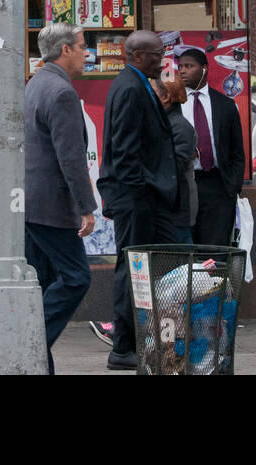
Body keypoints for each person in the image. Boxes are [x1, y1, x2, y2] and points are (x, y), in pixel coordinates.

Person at [96, 29, 178, 371]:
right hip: (136, 197)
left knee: (149, 265)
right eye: (156, 55)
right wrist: (140, 191)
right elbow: (126, 150)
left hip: (144, 196)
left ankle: (149, 338)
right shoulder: (130, 88)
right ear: (137, 56)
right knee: (132, 270)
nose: (163, 60)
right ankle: (123, 346)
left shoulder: (138, 81)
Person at [24, 23, 97, 375]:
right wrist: (87, 208)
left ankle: (36, 360)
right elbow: (70, 157)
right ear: (65, 50)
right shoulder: (61, 92)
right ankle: (28, 341)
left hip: (32, 205)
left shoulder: (36, 83)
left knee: (40, 283)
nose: (87, 53)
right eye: (83, 46)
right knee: (76, 277)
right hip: (51, 206)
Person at [177, 48, 246, 246]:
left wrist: (232, 188)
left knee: (215, 248)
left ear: (204, 69)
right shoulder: (174, 104)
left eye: (189, 66)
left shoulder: (224, 105)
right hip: (185, 183)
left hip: (218, 185)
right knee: (187, 247)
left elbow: (237, 151)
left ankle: (215, 278)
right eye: (180, 66)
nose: (182, 71)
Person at [153, 70, 199, 244]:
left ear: (165, 97)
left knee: (178, 266)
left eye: (152, 93)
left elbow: (172, 168)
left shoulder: (180, 127)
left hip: (176, 212)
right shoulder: (162, 122)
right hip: (165, 210)